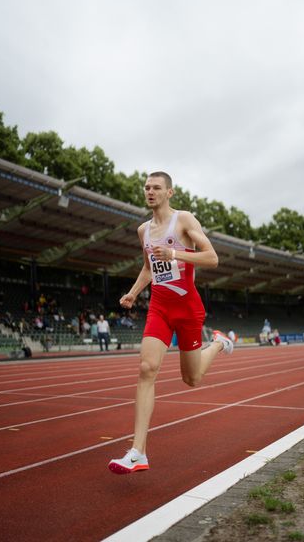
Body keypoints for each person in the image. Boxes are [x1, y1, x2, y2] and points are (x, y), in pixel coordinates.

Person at [108, 171, 233, 475]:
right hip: (160, 307)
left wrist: (176, 252)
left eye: (156, 188)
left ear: (169, 193)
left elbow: (212, 258)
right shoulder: (143, 231)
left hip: (187, 308)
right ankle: (138, 451)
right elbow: (149, 268)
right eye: (146, 187)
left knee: (191, 379)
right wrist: (133, 293)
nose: (149, 192)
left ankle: (218, 342)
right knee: (146, 368)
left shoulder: (184, 220)